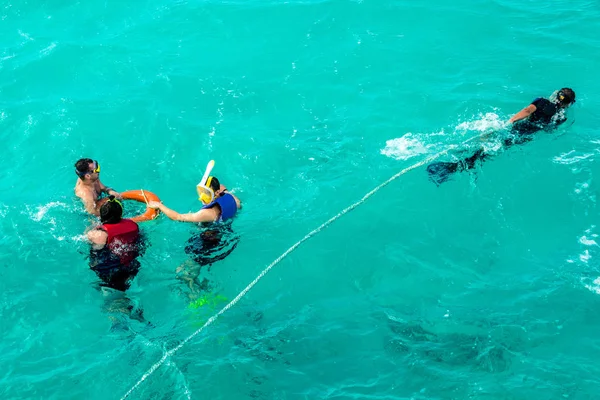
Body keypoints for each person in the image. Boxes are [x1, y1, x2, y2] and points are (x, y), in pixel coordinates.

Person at [427, 88, 576, 185]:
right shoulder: (561, 116)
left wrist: (510, 121)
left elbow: (527, 110)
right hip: (524, 137)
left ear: (556, 95)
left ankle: (453, 166)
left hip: (516, 128)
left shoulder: (542, 101)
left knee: (488, 143)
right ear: (568, 104)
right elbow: (549, 130)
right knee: (492, 150)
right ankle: (457, 166)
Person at [148, 174, 241, 297]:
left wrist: (159, 205)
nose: (202, 196)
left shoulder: (207, 213)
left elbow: (178, 217)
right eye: (201, 191)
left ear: (217, 193)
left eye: (206, 193)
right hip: (222, 237)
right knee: (187, 269)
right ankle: (203, 289)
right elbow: (235, 202)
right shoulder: (232, 198)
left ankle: (196, 295)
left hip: (206, 245)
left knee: (182, 273)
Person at [86, 196, 147, 325]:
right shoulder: (133, 225)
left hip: (112, 269)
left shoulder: (99, 233)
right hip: (131, 266)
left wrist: (92, 226)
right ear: (121, 214)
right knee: (123, 290)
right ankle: (138, 318)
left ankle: (122, 328)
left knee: (112, 303)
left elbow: (88, 239)